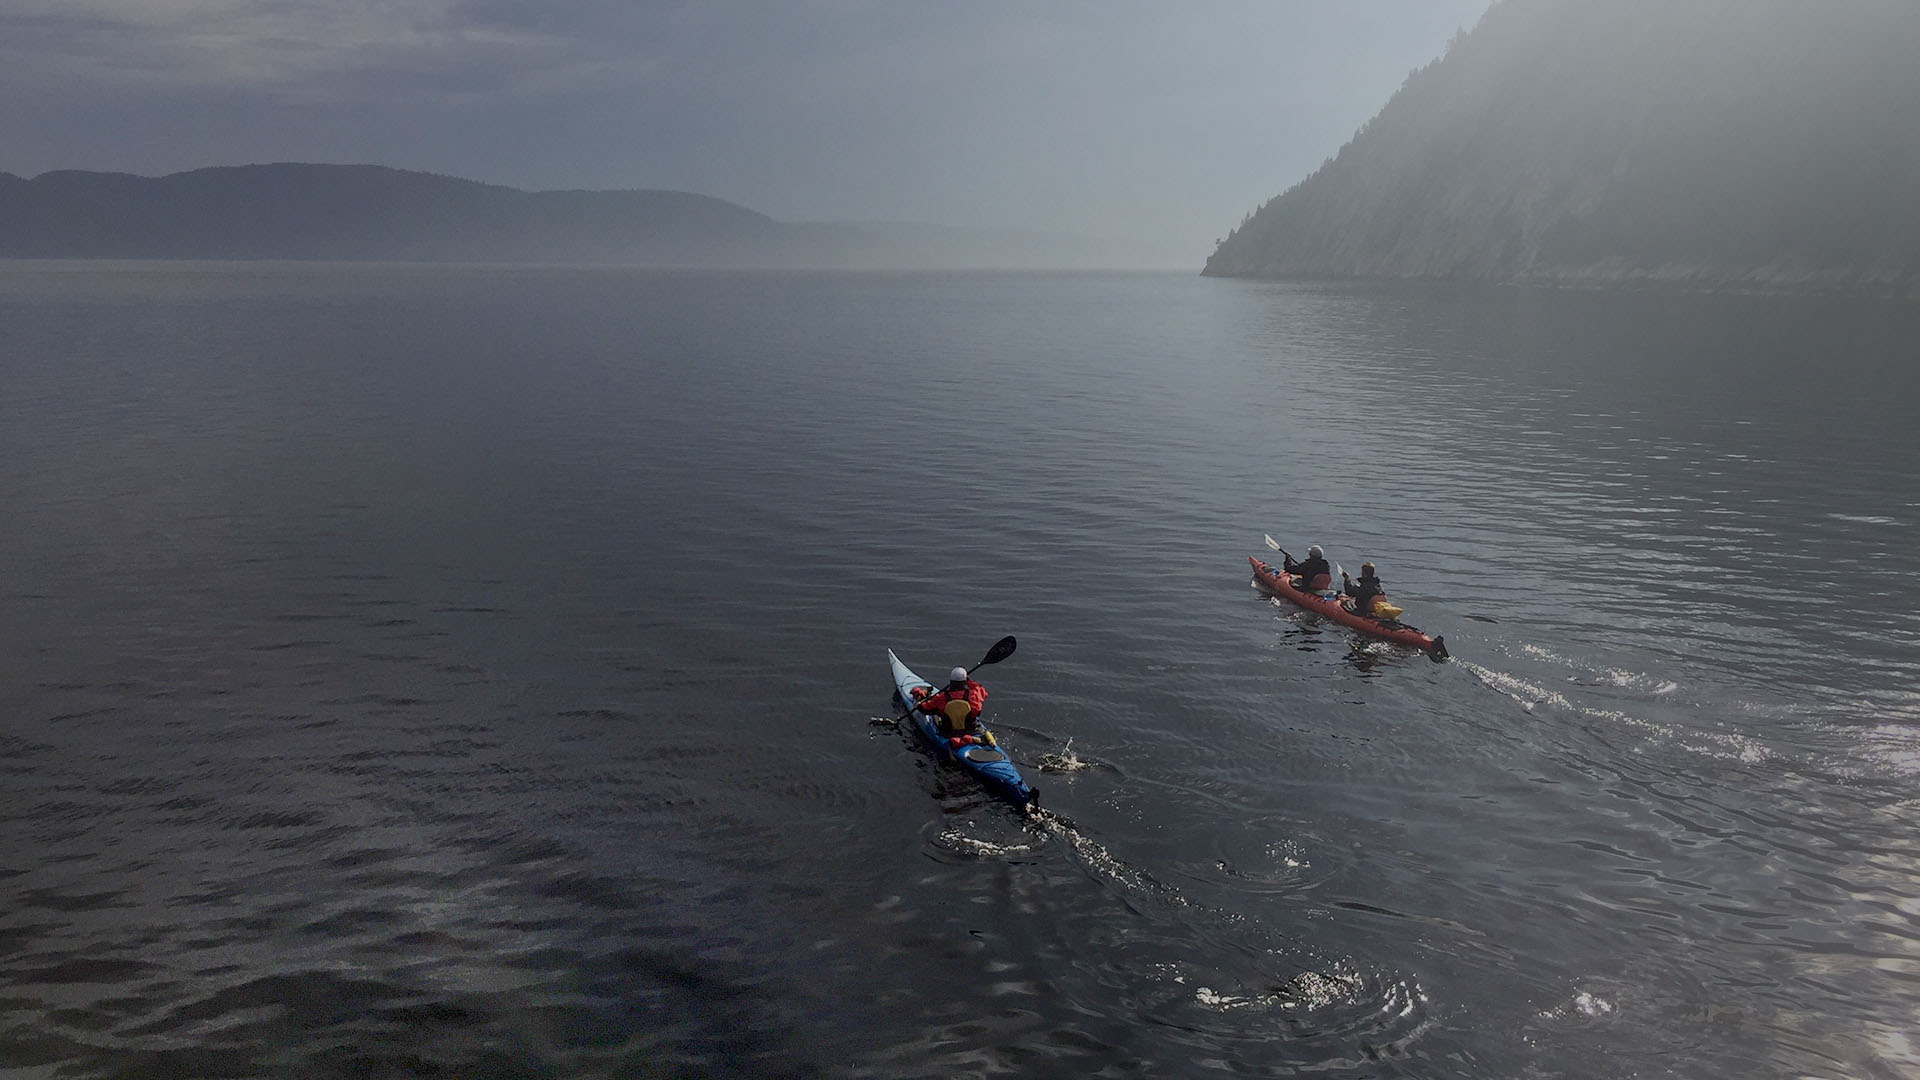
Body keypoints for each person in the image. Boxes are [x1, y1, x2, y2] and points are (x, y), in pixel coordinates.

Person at [911, 666, 990, 746]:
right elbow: (981, 690)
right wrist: (968, 681)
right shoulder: (974, 695)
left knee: (936, 713)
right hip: (971, 731)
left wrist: (918, 705)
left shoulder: (941, 697)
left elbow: (925, 709)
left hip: (948, 733)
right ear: (964, 682)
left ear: (951, 682)